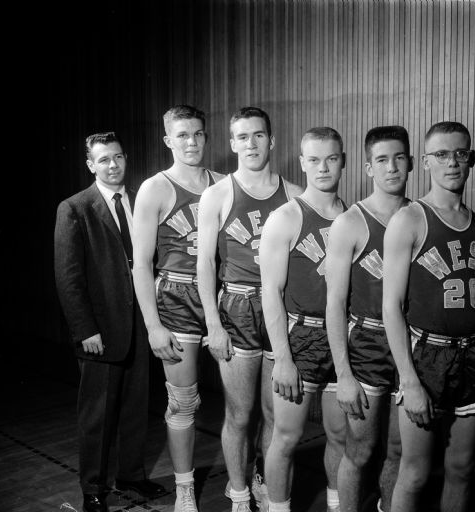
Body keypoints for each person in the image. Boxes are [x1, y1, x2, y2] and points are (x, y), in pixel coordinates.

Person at [382, 121, 475, 512]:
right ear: (425, 162)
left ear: (471, 160)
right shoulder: (410, 219)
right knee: (416, 472)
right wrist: (410, 380)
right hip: (428, 359)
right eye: (441, 154)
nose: (452, 162)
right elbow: (392, 307)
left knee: (461, 469)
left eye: (460, 154)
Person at [197, 107, 303, 512]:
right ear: (232, 143)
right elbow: (205, 263)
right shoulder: (218, 194)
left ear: (272, 141)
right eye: (242, 137)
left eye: (259, 135)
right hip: (237, 306)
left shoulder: (293, 194)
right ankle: (238, 494)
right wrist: (213, 323)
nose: (251, 144)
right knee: (240, 415)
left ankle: (262, 480)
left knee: (274, 416)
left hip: (279, 308)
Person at [54, 132, 165, 512]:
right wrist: (86, 330)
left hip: (140, 323)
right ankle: (93, 489)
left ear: (126, 158)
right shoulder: (75, 208)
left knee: (137, 408)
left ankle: (131, 477)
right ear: (90, 165)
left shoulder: (142, 202)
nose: (113, 165)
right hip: (100, 331)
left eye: (117, 157)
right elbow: (68, 278)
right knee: (98, 416)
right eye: (104, 160)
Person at [132, 106, 225, 512]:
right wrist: (153, 325)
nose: (192, 142)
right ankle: (185, 487)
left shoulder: (223, 184)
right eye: (182, 135)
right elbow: (141, 263)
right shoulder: (155, 188)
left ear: (207, 137)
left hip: (222, 295)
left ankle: (249, 475)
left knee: (242, 401)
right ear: (168, 140)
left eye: (198, 134)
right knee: (184, 400)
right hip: (177, 296)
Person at [325, 126, 413, 512]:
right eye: (382, 160)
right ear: (367, 168)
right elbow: (335, 304)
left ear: (411, 162)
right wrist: (342, 374)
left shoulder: (420, 218)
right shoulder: (351, 222)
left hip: (412, 344)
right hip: (367, 344)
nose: (391, 167)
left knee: (399, 450)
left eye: (398, 158)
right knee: (360, 450)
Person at [260, 127, 348, 512]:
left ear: (342, 160)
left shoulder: (353, 216)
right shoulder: (286, 217)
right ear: (302, 163)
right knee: (286, 436)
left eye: (331, 158)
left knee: (341, 434)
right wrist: (282, 358)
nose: (323, 167)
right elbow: (270, 293)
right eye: (314, 160)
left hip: (343, 337)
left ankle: (335, 504)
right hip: (302, 337)